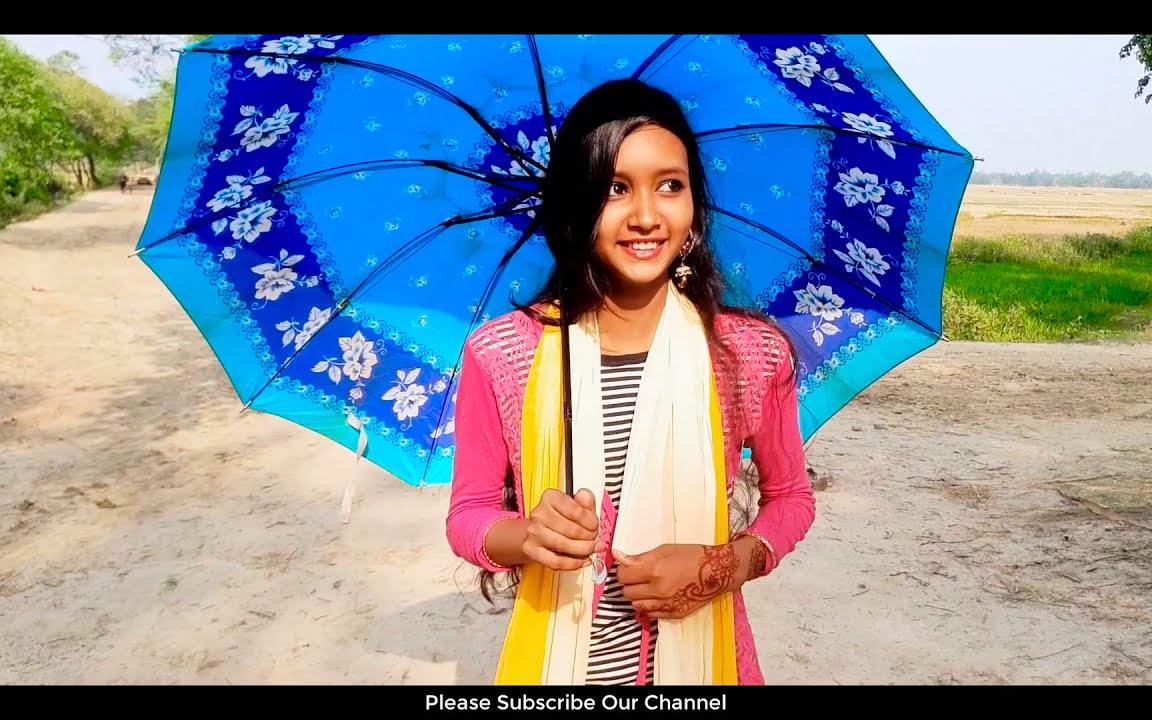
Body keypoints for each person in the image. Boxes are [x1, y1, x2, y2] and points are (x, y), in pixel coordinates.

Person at [445, 78, 815, 686]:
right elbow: (470, 515)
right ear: (576, 204)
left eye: (670, 185)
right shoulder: (503, 353)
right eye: (615, 188)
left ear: (694, 204)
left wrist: (721, 567)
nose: (646, 216)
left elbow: (792, 498)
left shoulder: (749, 354)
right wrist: (529, 535)